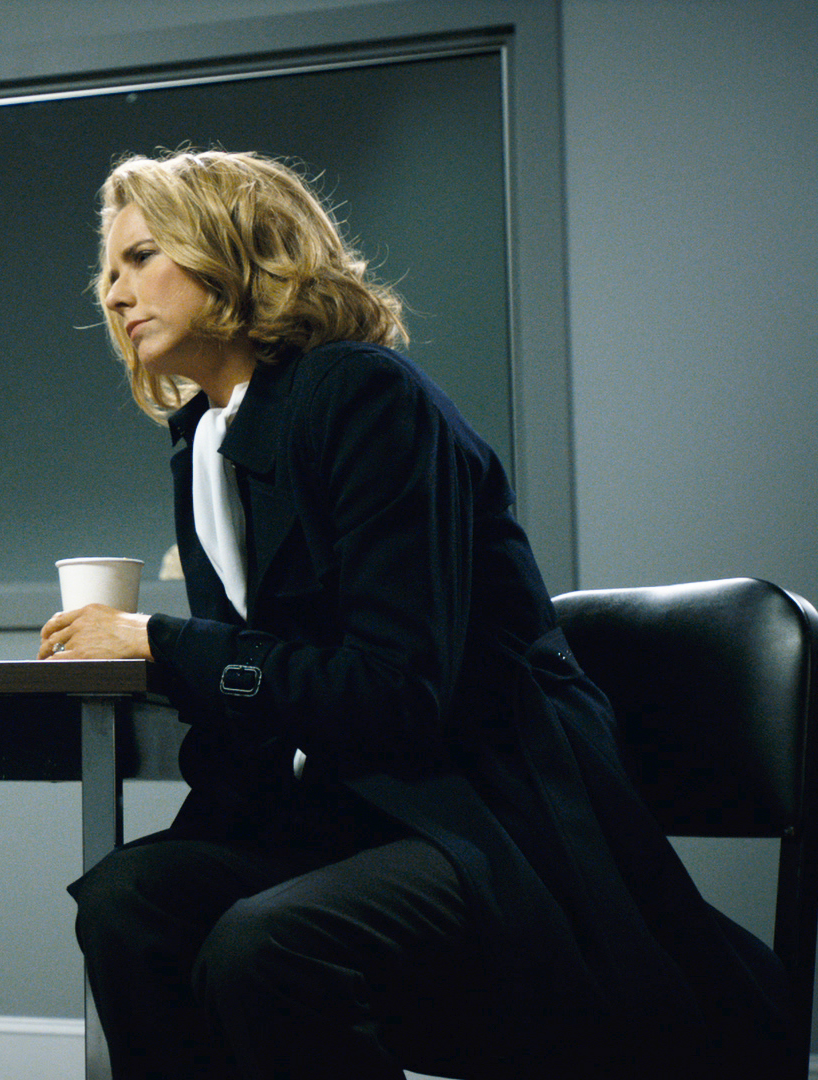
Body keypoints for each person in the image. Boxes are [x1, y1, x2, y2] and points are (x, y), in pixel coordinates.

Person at [40, 149, 791, 1079]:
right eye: (109, 270)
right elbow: (269, 685)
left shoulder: (361, 394)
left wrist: (163, 643)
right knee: (126, 901)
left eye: (142, 257)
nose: (114, 293)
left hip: (482, 814)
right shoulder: (204, 440)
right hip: (349, 811)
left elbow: (395, 691)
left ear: (233, 251)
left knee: (264, 948)